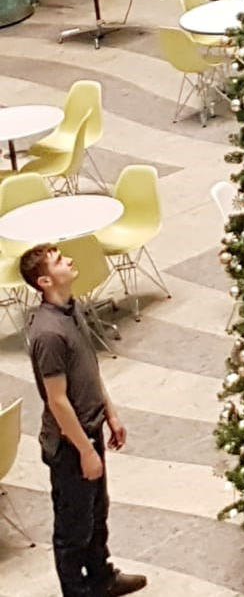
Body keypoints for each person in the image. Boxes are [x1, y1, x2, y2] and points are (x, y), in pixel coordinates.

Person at [19, 243, 147, 597]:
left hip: (90, 429)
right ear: (44, 280)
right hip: (69, 443)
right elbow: (58, 401)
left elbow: (88, 368)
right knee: (73, 528)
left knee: (96, 514)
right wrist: (85, 451)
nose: (70, 260)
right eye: (60, 261)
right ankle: (77, 591)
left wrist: (111, 412)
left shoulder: (71, 310)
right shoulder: (47, 333)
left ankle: (102, 577)